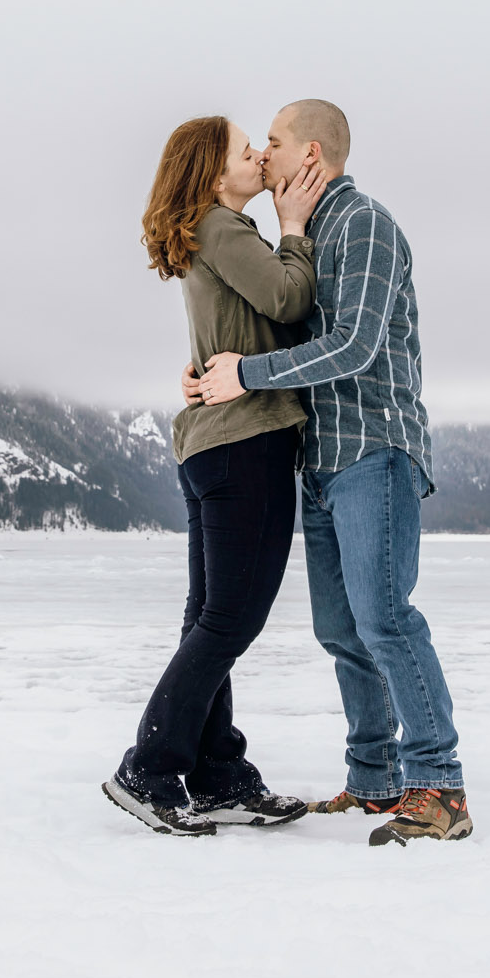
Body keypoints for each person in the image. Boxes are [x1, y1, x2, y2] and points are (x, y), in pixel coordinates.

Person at [192, 99, 472, 846]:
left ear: (310, 155)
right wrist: (212, 370)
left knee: (385, 617)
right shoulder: (306, 237)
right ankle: (376, 777)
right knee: (340, 627)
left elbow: (354, 346)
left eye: (273, 143)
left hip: (374, 446)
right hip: (321, 457)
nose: (264, 156)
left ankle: (439, 782)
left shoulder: (366, 224)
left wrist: (247, 371)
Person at [103, 114, 329, 837]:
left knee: (211, 615)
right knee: (232, 617)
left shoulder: (209, 234)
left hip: (212, 446)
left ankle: (217, 769)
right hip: (245, 444)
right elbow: (291, 301)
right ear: (211, 173)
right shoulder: (226, 228)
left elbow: (238, 329)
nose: (260, 154)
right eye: (244, 149)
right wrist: (294, 225)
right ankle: (152, 762)